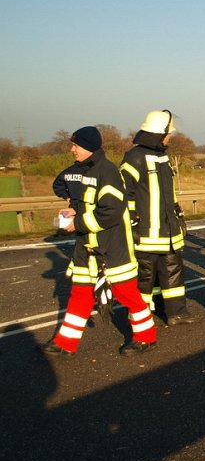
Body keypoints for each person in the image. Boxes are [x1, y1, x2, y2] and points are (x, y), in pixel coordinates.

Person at [43, 126, 157, 356]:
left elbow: (111, 212)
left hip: (111, 248)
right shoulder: (84, 171)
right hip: (87, 247)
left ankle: (146, 337)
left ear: (87, 147)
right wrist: (73, 210)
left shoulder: (107, 172)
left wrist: (79, 223)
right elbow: (83, 200)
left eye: (75, 145)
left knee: (127, 294)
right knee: (81, 293)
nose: (71, 149)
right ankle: (65, 342)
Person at [120, 110, 196, 326]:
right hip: (147, 234)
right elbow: (125, 195)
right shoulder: (134, 158)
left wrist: (177, 216)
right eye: (168, 134)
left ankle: (176, 313)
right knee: (145, 279)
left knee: (173, 274)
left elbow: (167, 194)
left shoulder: (163, 157)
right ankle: (140, 318)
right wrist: (133, 222)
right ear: (158, 133)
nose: (170, 137)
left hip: (169, 233)